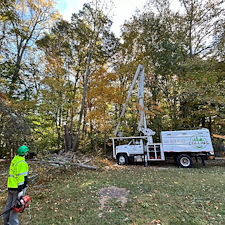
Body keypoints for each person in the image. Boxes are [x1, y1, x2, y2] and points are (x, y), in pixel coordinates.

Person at [3, 145, 29, 225]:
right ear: (25, 153)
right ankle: (13, 223)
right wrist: (21, 190)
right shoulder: (22, 163)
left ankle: (6, 221)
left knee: (9, 205)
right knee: (16, 207)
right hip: (17, 188)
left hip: (11, 186)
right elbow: (21, 177)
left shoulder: (15, 160)